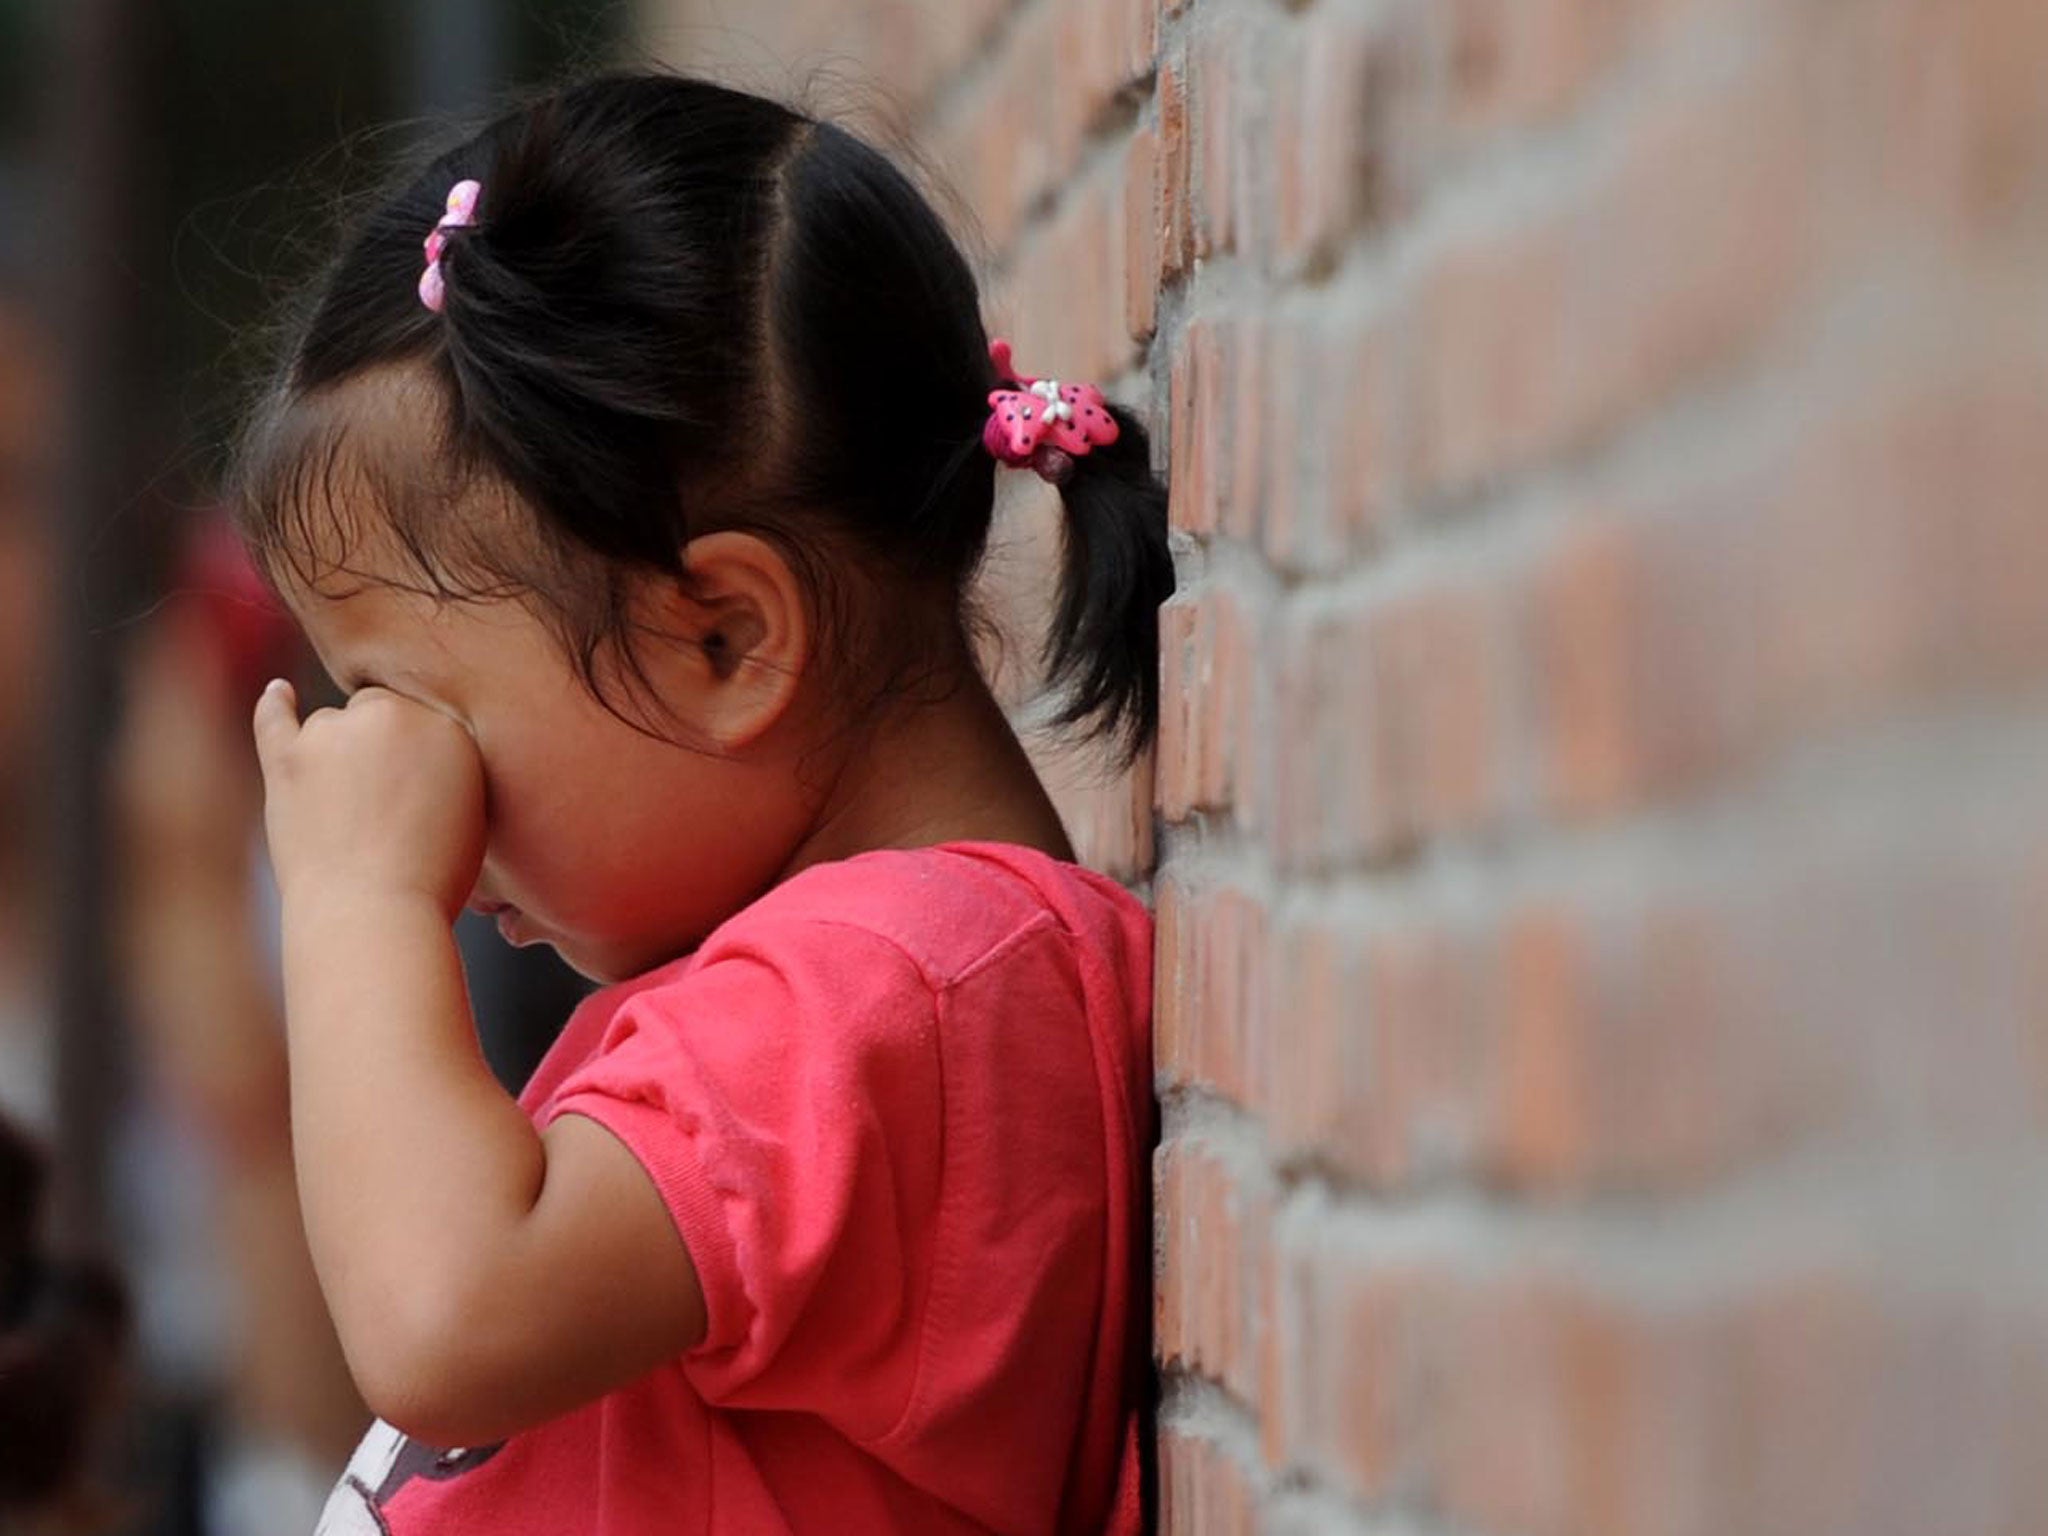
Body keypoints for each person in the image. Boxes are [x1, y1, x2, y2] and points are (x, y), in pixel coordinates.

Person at [229, 71, 1174, 1536]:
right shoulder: (871, 978)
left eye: (422, 712)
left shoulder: (888, 990)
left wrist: (352, 904)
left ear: (724, 638)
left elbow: (446, 1320)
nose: (411, 792)